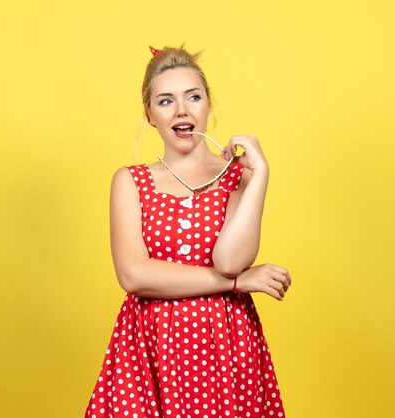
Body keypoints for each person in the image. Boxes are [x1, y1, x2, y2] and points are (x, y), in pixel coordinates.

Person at [85, 44, 291, 418]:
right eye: (166, 101)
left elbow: (230, 261)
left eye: (193, 97)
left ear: (207, 105)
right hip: (150, 346)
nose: (181, 110)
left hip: (226, 345)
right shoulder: (130, 182)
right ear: (149, 115)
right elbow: (134, 275)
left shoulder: (238, 177)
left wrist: (260, 174)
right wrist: (236, 284)